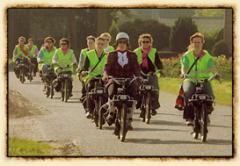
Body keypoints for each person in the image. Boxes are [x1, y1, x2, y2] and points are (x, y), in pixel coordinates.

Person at [102, 32, 141, 133]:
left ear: (127, 43)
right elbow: (107, 67)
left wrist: (138, 77)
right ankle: (111, 112)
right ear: (117, 43)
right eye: (120, 42)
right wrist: (106, 75)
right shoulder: (112, 54)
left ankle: (130, 118)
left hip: (129, 80)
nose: (122, 44)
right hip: (114, 79)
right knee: (111, 92)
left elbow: (136, 68)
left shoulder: (132, 55)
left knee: (135, 93)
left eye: (124, 42)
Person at [180, 32, 216, 125]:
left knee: (210, 96)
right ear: (191, 43)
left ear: (203, 42)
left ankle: (206, 114)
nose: (196, 44)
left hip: (204, 80)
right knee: (188, 93)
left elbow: (211, 66)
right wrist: (184, 73)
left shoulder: (207, 55)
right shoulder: (187, 55)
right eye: (195, 42)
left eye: (199, 42)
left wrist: (216, 73)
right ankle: (189, 117)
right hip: (190, 79)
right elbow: (184, 66)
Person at [134, 33, 163, 116]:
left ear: (150, 43)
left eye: (147, 41)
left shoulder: (154, 51)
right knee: (137, 89)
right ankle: (140, 105)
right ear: (140, 42)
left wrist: (160, 69)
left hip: (151, 73)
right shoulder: (136, 52)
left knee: (155, 89)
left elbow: (158, 63)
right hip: (139, 73)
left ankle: (153, 107)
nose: (145, 43)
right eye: (143, 42)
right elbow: (132, 63)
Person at [80, 36, 108, 118]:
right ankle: (89, 110)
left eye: (102, 44)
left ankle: (107, 110)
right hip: (92, 77)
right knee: (89, 89)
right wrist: (83, 72)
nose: (100, 46)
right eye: (98, 44)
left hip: (103, 78)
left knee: (107, 91)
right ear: (95, 44)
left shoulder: (107, 55)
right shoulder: (89, 54)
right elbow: (85, 67)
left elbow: (109, 68)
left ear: (104, 46)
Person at [77, 35, 95, 101]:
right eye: (88, 43)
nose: (90, 44)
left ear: (95, 43)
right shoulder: (83, 51)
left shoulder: (97, 51)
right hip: (85, 72)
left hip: (95, 72)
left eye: (91, 43)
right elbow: (81, 63)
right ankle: (84, 97)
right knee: (85, 84)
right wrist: (80, 69)